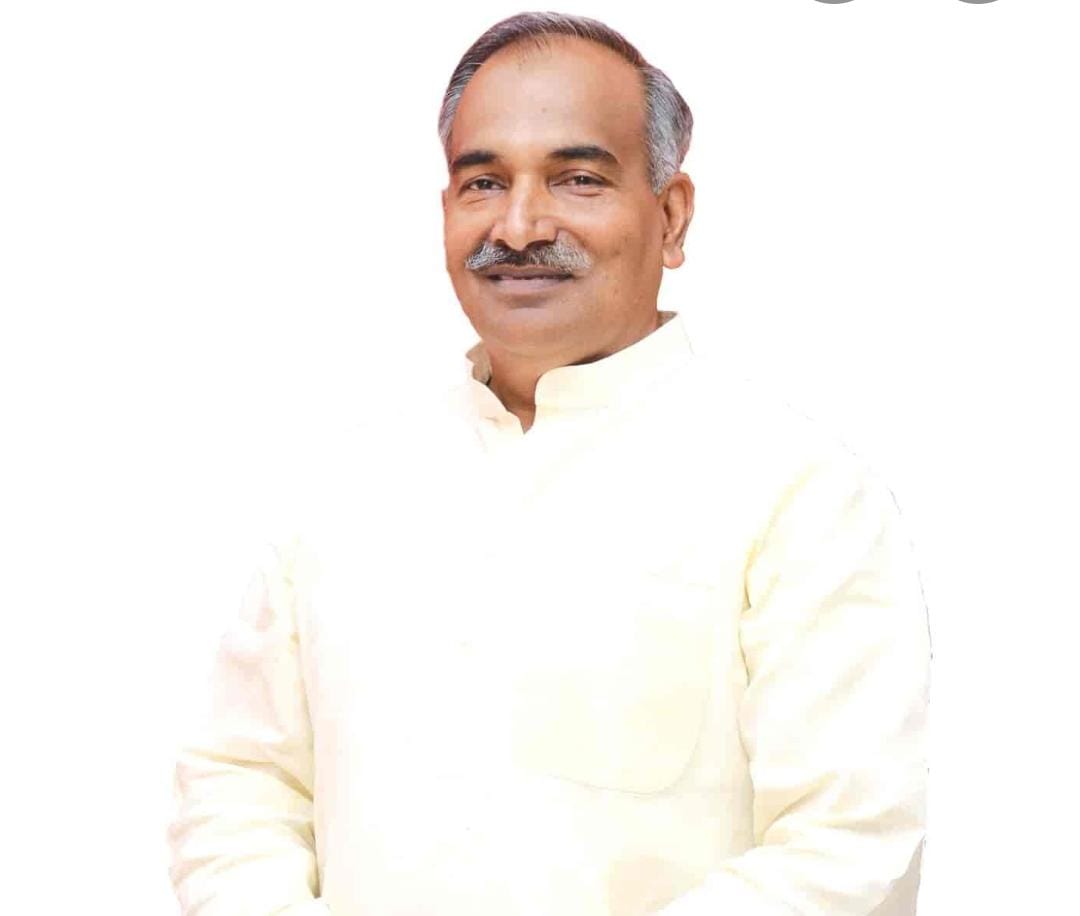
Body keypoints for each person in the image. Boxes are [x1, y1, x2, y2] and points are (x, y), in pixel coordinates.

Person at [166, 12, 931, 916]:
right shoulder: (344, 491)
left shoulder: (799, 493)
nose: (520, 226)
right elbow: (240, 790)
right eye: (484, 182)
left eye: (577, 179)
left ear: (672, 215)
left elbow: (847, 847)